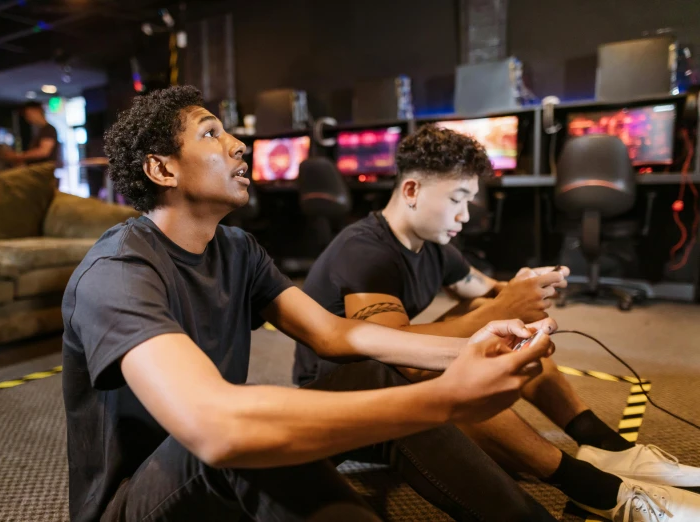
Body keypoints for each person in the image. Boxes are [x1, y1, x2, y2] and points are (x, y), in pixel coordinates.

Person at [62, 85, 559, 522]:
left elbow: (335, 333)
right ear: (160, 168)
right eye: (211, 134)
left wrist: (473, 348)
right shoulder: (118, 273)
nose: (239, 145)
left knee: (369, 374)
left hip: (218, 477)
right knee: (249, 432)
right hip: (139, 502)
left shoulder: (237, 249)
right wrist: (446, 397)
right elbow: (214, 428)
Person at [293, 124, 700, 521]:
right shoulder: (365, 252)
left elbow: (488, 292)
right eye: (458, 198)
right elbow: (395, 350)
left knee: (496, 321)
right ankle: (591, 486)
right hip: (340, 400)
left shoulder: (435, 246)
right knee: (451, 360)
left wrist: (526, 289)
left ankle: (601, 443)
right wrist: (505, 307)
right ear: (412, 190)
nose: (466, 215)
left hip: (387, 370)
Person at [8, 101, 59, 165]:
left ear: (36, 111)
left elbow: (43, 152)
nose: (27, 118)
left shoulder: (49, 129)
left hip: (42, 171)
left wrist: (18, 156)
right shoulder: (42, 130)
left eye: (28, 114)